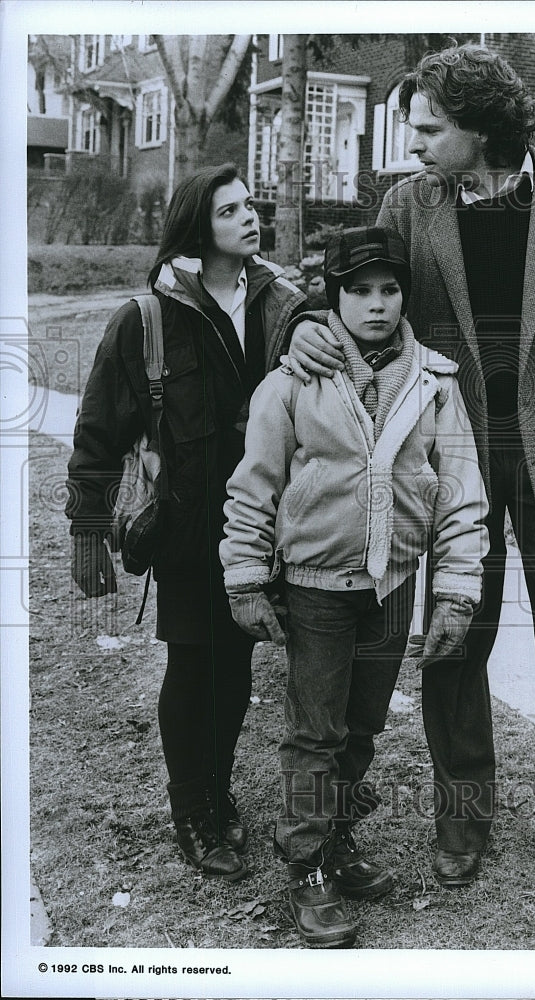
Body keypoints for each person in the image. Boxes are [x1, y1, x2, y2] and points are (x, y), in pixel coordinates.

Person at [288, 44, 535, 911]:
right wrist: (304, 322)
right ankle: (462, 827)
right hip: (452, 464)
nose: (410, 143)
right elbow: (349, 289)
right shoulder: (408, 203)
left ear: (479, 128)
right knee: (454, 641)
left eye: (427, 128)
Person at [219, 226, 488, 948]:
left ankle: (335, 838)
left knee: (362, 726)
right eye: (358, 290)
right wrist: (245, 576)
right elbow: (254, 485)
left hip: (391, 584)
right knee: (315, 730)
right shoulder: (291, 379)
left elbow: (460, 494)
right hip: (313, 585)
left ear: (404, 296)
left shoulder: (434, 382)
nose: (375, 305)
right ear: (332, 297)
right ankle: (305, 865)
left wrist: (456, 591)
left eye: (389, 290)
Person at [65, 163, 305, 883]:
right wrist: (87, 530)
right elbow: (99, 429)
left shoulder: (283, 305)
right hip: (189, 527)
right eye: (230, 210)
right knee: (194, 665)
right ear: (198, 226)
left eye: (251, 206)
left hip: (265, 523)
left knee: (233, 669)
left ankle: (216, 787)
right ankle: (192, 810)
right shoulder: (147, 319)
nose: (250, 217)